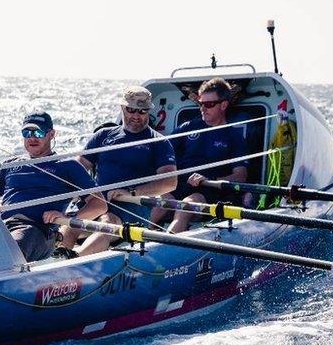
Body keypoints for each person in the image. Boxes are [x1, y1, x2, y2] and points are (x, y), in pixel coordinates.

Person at [50, 86, 177, 256]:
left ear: (148, 111)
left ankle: (75, 260)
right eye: (131, 109)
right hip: (97, 202)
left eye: (142, 111)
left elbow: (170, 183)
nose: (136, 115)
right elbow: (77, 170)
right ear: (123, 108)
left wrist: (132, 192)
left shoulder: (159, 142)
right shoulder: (103, 135)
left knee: (107, 222)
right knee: (71, 223)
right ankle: (60, 261)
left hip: (131, 207)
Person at [0, 112, 106, 262]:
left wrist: (68, 218)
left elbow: (99, 205)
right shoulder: (10, 164)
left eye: (38, 133)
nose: (32, 138)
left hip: (36, 231)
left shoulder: (67, 166)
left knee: (11, 250)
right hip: (1, 225)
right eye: (27, 133)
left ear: (51, 134)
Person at [159, 78, 249, 233]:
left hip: (210, 190)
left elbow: (241, 176)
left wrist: (210, 181)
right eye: (200, 103)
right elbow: (162, 151)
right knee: (158, 204)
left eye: (208, 104)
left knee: (186, 206)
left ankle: (162, 247)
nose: (202, 108)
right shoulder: (189, 127)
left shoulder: (234, 136)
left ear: (223, 105)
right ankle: (144, 242)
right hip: (181, 185)